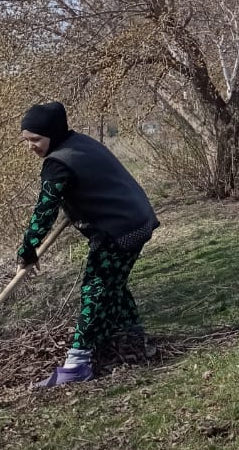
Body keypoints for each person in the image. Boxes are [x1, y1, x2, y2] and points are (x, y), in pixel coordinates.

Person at [17, 101, 159, 386]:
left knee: (96, 288)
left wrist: (27, 250)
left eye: (36, 140)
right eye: (26, 140)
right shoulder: (79, 143)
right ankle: (132, 338)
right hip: (137, 220)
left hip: (117, 229)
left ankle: (77, 363)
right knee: (113, 284)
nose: (31, 146)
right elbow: (88, 185)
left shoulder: (58, 163)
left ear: (52, 134)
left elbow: (45, 210)